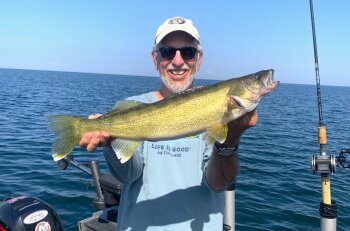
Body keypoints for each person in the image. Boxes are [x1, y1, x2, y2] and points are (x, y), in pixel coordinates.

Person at [79, 16, 258, 231]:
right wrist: (110, 142)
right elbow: (128, 175)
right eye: (167, 52)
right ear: (155, 59)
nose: (178, 61)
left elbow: (217, 184)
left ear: (199, 60)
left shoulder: (217, 111)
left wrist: (230, 140)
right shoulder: (132, 106)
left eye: (188, 52)